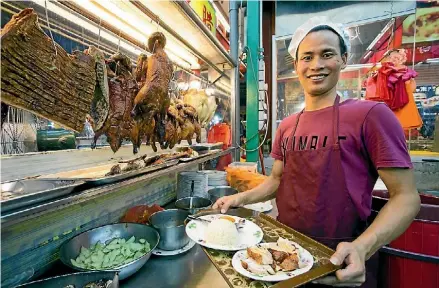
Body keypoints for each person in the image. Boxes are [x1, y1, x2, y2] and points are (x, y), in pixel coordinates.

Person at [213, 17, 420, 287]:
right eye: (307, 57)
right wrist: (239, 199)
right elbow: (277, 180)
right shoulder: (287, 126)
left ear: (343, 59)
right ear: (297, 65)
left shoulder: (371, 115)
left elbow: (406, 198)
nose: (316, 65)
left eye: (327, 54)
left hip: (343, 258)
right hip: (286, 250)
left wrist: (362, 247)